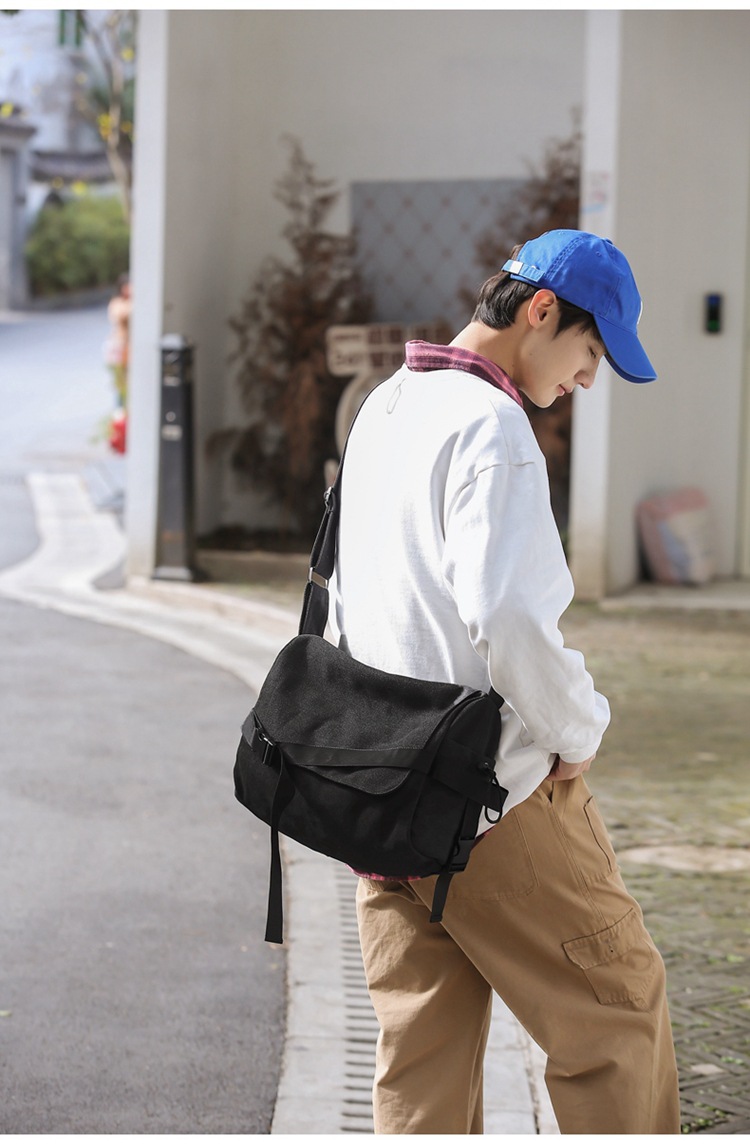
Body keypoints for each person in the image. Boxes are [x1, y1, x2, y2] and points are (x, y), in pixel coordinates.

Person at [328, 230, 680, 1134]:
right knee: (618, 1014)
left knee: (424, 1063)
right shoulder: (493, 427)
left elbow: (351, 597)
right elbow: (507, 617)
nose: (589, 379)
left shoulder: (386, 406)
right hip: (493, 798)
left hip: (381, 794)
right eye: (592, 351)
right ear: (542, 311)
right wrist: (578, 730)